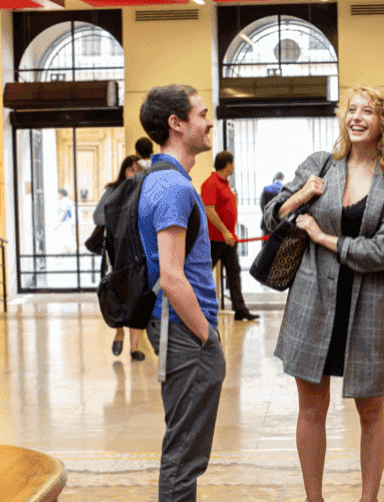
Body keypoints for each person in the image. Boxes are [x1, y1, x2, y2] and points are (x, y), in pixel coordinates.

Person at [262, 84, 384, 502]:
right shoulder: (321, 165)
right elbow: (270, 215)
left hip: (366, 308)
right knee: (311, 409)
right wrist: (302, 195)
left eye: (368, 110)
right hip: (313, 304)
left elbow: (383, 251)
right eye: (351, 109)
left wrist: (323, 237)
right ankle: (315, 499)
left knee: (371, 410)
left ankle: (369, 498)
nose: (357, 117)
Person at [138, 84, 226, 502]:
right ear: (177, 124)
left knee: (186, 450)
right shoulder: (172, 187)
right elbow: (172, 277)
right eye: (201, 114)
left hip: (180, 330)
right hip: (185, 333)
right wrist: (206, 335)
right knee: (184, 454)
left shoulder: (166, 179)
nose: (209, 122)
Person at [94, 154, 146, 362]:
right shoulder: (113, 190)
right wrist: (118, 215)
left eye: (137, 170)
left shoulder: (144, 191)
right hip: (118, 253)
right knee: (119, 294)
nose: (134, 174)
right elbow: (98, 216)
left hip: (139, 252)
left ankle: (134, 348)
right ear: (123, 171)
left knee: (139, 298)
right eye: (130, 169)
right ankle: (119, 332)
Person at [201, 151, 259, 321]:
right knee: (203, 275)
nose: (233, 166)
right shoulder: (211, 183)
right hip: (215, 239)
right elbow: (209, 210)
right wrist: (225, 231)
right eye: (232, 163)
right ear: (227, 164)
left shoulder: (225, 184)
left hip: (228, 239)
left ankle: (240, 310)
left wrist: (229, 233)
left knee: (234, 273)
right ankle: (198, 308)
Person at [259, 171, 284, 238]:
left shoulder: (266, 189)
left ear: (274, 179)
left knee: (266, 246)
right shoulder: (285, 190)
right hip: (280, 224)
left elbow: (262, 205)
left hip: (267, 223)